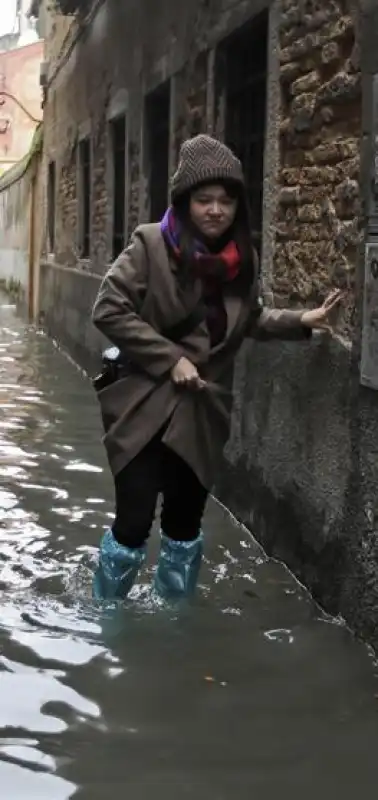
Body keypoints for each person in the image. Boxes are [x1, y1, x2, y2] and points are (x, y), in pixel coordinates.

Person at [91, 134, 342, 602]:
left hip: (202, 412)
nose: (214, 210)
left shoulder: (240, 260)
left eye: (225, 201)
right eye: (204, 200)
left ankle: (173, 624)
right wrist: (170, 360)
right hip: (141, 407)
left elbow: (246, 320)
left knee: (184, 528)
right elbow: (108, 309)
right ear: (186, 203)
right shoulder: (148, 245)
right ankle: (107, 619)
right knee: (132, 522)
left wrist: (298, 321)